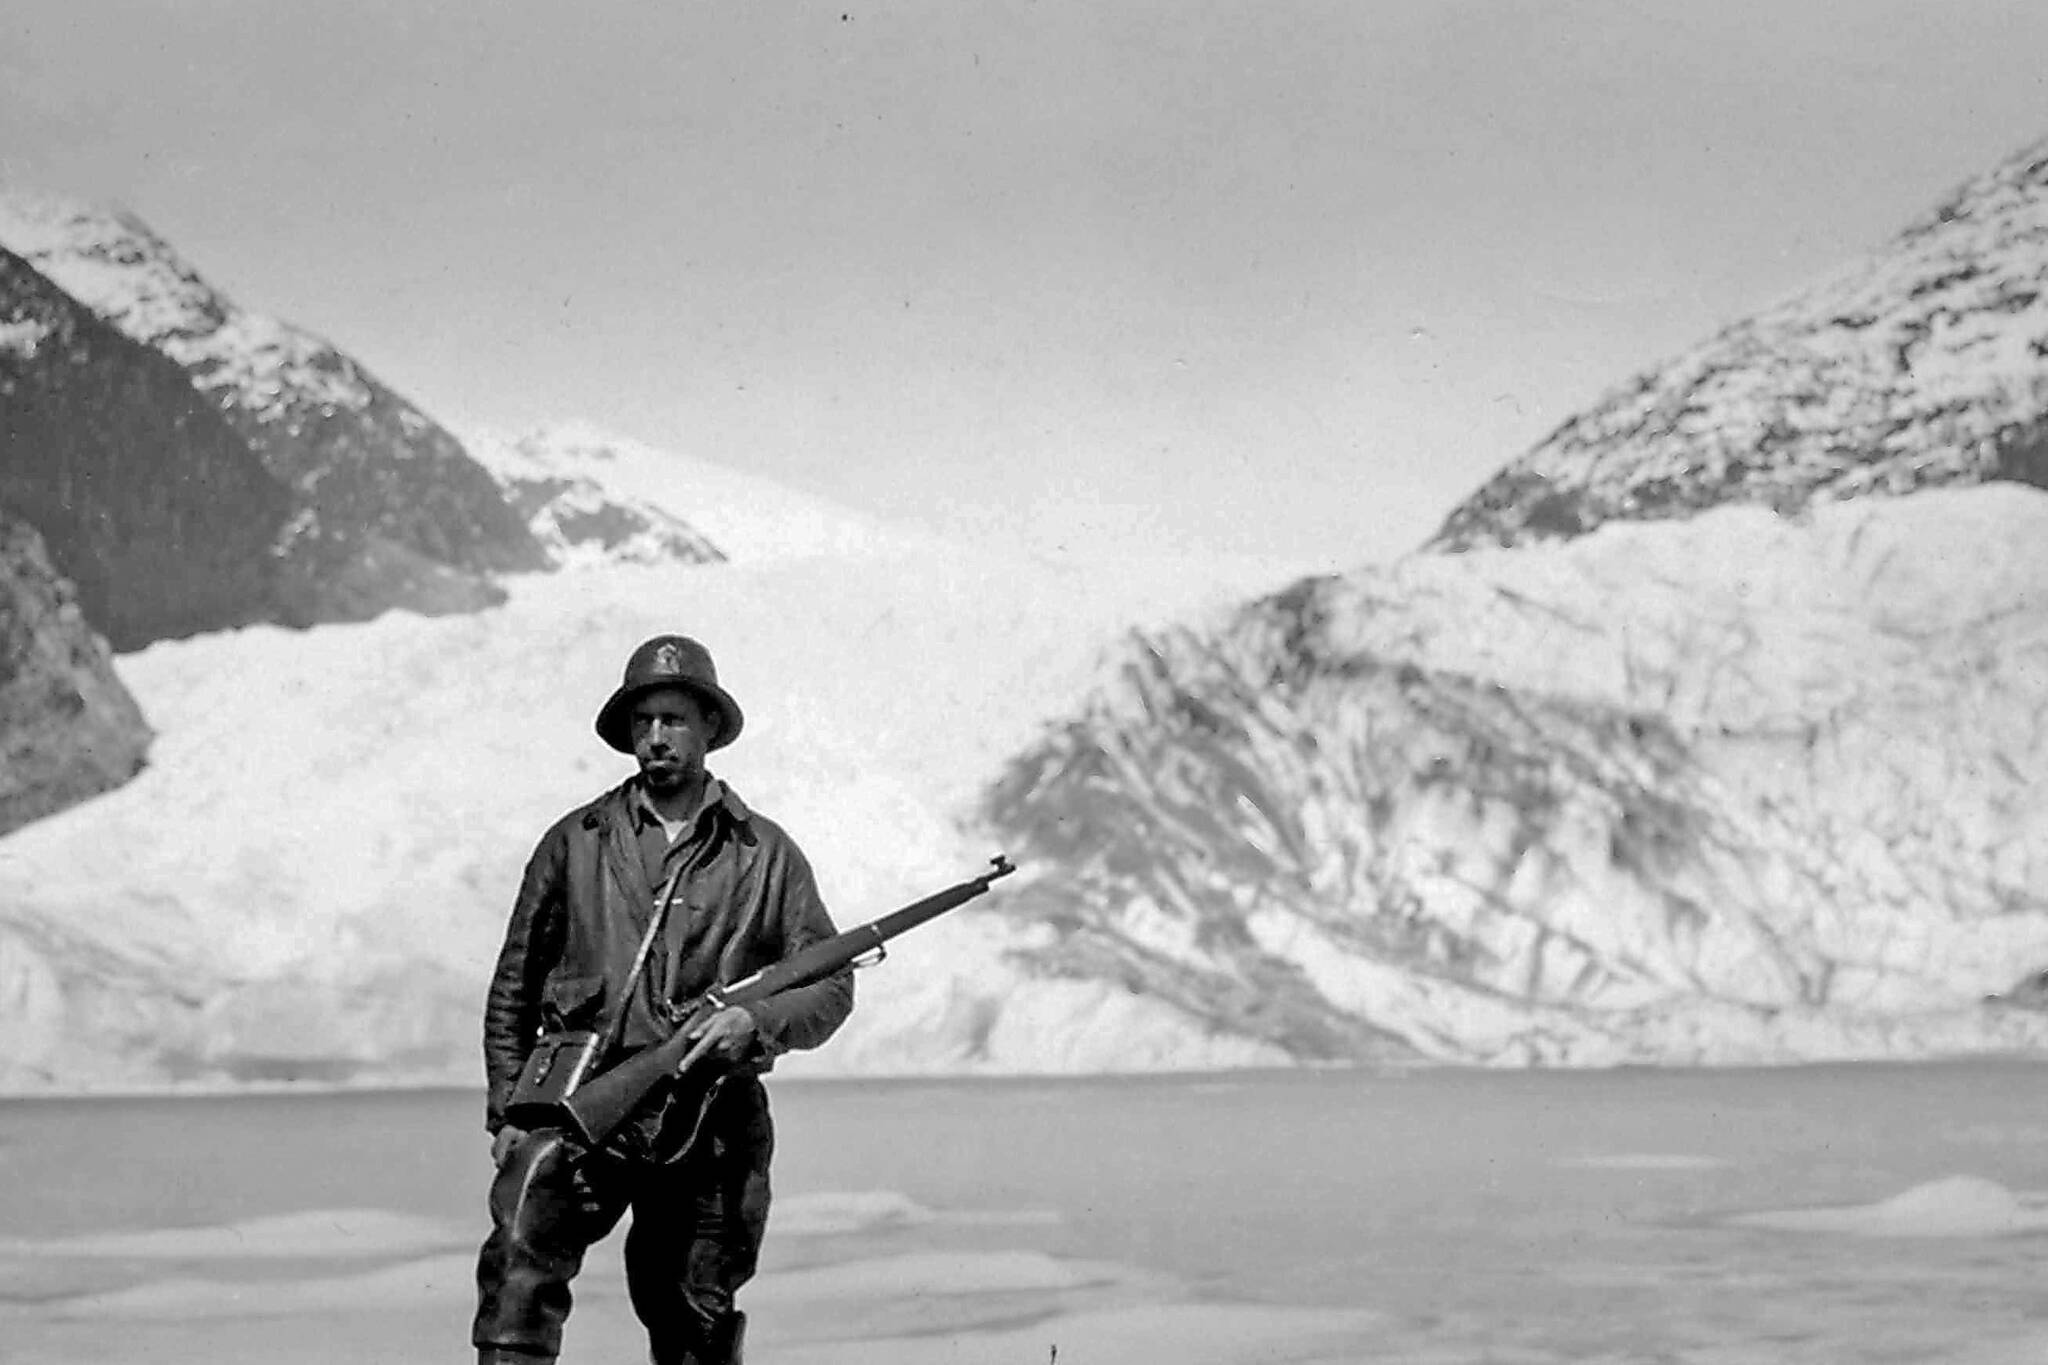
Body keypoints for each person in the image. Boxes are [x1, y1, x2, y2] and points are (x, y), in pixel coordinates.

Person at [472, 635, 854, 1365]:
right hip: (584, 1110)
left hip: (711, 1120)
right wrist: (506, 1115)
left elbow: (831, 982)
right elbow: (513, 987)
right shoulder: (573, 843)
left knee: (693, 1316)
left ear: (709, 727)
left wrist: (757, 1021)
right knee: (517, 1285)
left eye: (674, 719)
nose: (656, 737)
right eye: (643, 720)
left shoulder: (765, 853)